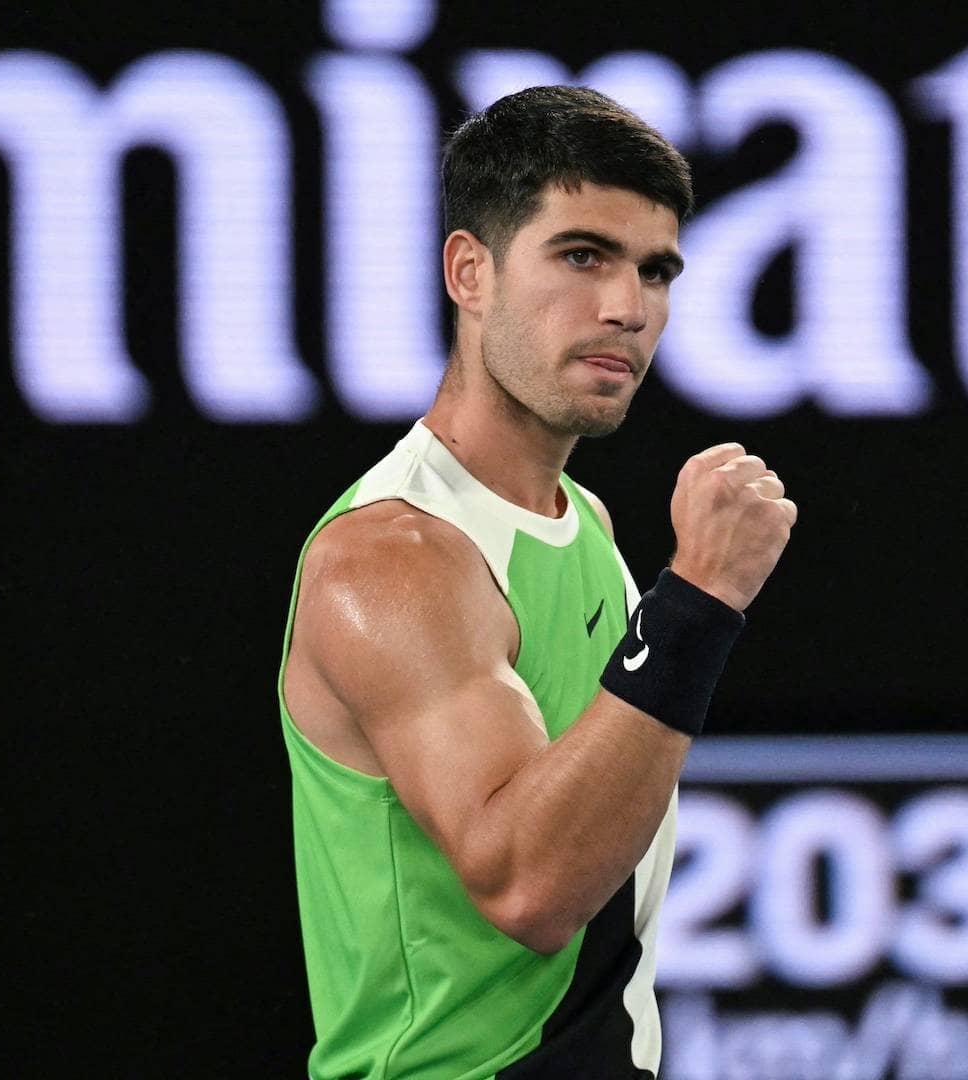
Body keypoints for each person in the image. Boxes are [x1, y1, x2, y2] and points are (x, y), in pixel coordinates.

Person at [277, 85, 796, 1078]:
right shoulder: (394, 557)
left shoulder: (583, 522)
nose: (626, 307)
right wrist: (695, 603)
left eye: (656, 271)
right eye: (581, 255)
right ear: (470, 271)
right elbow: (529, 888)